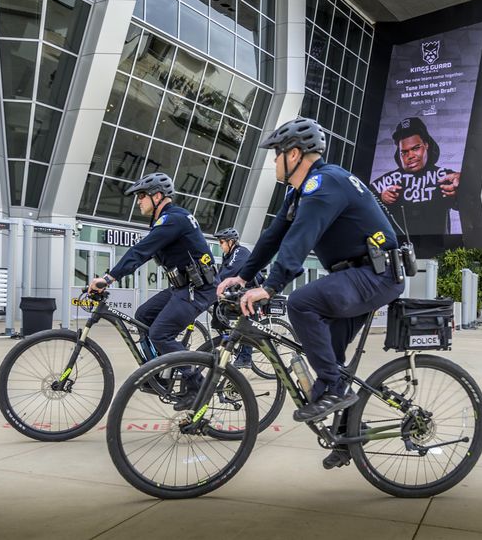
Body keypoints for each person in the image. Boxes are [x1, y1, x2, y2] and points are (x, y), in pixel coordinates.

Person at [216, 117, 405, 463]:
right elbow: (274, 237)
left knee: (301, 302)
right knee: (331, 358)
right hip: (360, 275)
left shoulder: (324, 184)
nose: (273, 161)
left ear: (295, 154)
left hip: (376, 275)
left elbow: (299, 240)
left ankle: (331, 389)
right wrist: (243, 277)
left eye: (276, 154)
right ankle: (348, 440)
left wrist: (271, 287)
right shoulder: (300, 191)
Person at [89, 172, 217, 409]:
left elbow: (141, 251)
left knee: (160, 334)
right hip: (182, 287)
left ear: (157, 196)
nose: (138, 201)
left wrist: (108, 278)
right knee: (143, 315)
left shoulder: (173, 219)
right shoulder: (167, 219)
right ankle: (158, 371)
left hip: (197, 289)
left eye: (141, 196)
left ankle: (197, 385)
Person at [369, 117, 460, 234]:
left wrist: (462, 185)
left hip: (439, 248)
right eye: (404, 152)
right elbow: (362, 203)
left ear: (426, 145)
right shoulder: (389, 180)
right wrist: (381, 198)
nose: (410, 155)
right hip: (401, 249)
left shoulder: (444, 176)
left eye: (416, 148)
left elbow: (471, 202)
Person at [213, 227, 263, 368]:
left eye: (222, 242)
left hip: (252, 292)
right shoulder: (227, 255)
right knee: (222, 317)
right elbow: (222, 273)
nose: (220, 245)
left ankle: (245, 358)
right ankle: (228, 345)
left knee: (247, 324)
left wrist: (215, 285)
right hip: (241, 292)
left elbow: (228, 272)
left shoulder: (240, 252)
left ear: (231, 242)